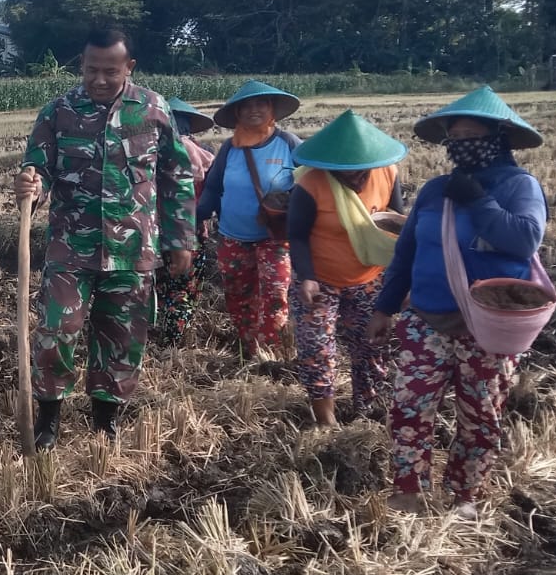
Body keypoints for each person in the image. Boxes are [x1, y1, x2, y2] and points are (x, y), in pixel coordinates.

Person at [369, 88, 547, 516]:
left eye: (473, 134)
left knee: (480, 415)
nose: (464, 143)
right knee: (410, 407)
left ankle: (466, 495)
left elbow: (524, 240)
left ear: (498, 138)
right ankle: (408, 490)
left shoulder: (519, 186)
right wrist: (384, 307)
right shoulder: (435, 190)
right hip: (425, 319)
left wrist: (479, 201)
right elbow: (407, 252)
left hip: (487, 326)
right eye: (457, 136)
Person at [14, 29, 196, 447]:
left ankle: (105, 421)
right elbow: (39, 169)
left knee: (122, 337)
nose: (99, 79)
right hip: (70, 248)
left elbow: (177, 175)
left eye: (110, 71)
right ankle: (49, 420)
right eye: (91, 70)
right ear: (81, 65)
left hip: (133, 249)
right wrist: (32, 185)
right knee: (57, 329)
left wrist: (181, 239)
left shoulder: (153, 110)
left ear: (129, 67)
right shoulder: (57, 113)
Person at [286, 111, 408, 427]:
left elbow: (398, 224)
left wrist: (403, 281)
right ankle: (325, 420)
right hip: (319, 280)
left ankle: (365, 410)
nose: (353, 175)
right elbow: (297, 236)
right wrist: (307, 277)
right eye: (344, 169)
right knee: (316, 348)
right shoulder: (311, 184)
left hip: (368, 277)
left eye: (359, 168)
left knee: (371, 345)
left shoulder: (387, 173)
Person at [197, 80, 302, 361]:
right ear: (238, 113)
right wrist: (195, 218)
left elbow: (311, 183)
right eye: (247, 106)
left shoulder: (288, 143)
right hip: (233, 237)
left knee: (275, 295)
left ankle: (270, 355)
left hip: (275, 238)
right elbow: (213, 188)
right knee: (238, 295)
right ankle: (248, 348)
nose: (254, 110)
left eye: (261, 104)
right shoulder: (229, 149)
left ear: (272, 109)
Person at [155, 98, 218, 347]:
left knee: (159, 284)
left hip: (154, 230)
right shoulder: (201, 153)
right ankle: (175, 339)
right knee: (184, 288)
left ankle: (158, 334)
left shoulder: (149, 152)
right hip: (192, 230)